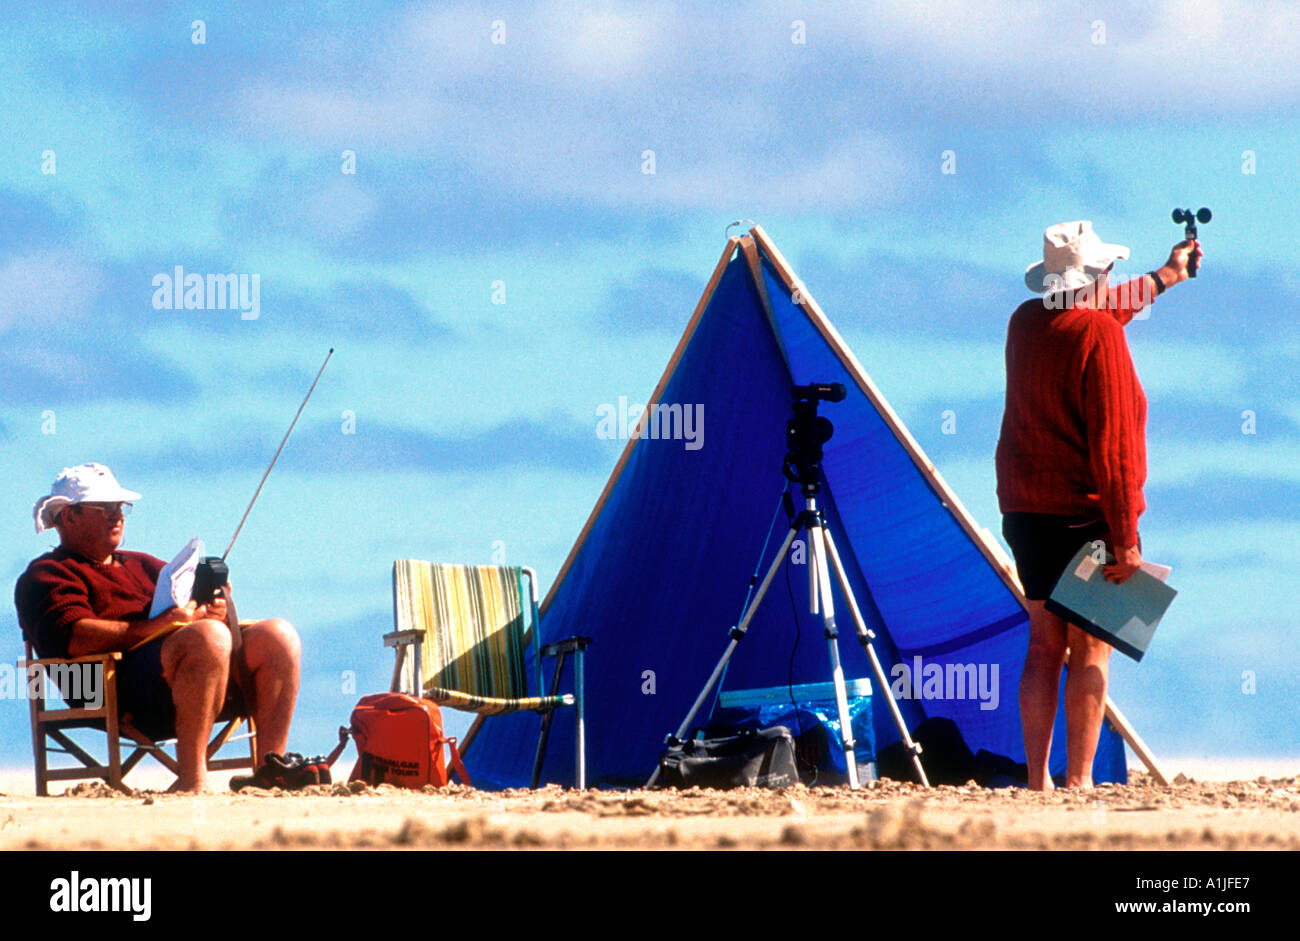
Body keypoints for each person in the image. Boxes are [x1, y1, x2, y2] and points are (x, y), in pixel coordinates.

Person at [997, 221, 1201, 790]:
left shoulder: (1026, 321)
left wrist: (1168, 276)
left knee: (1043, 645)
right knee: (1090, 647)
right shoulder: (1100, 337)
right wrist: (1127, 540)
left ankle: (1037, 779)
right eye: (1107, 271)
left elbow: (1095, 316)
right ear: (1095, 278)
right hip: (1084, 513)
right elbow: (1115, 450)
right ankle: (1080, 781)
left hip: (1023, 510)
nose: (1114, 278)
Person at [15, 463, 301, 793]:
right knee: (209, 638)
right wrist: (161, 625)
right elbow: (75, 638)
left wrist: (213, 610)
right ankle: (195, 781)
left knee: (278, 635)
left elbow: (188, 617)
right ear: (69, 517)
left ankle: (271, 769)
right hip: (105, 689)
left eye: (120, 507)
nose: (117, 516)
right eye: (103, 508)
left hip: (190, 675)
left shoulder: (144, 564)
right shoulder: (47, 574)